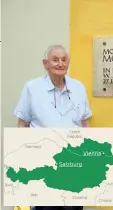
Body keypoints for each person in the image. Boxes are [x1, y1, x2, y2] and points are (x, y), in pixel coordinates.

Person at [13, 45, 92, 210]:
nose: (60, 63)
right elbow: (22, 124)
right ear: (45, 63)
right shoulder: (32, 88)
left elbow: (85, 123)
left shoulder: (79, 88)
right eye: (55, 60)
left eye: (64, 59)